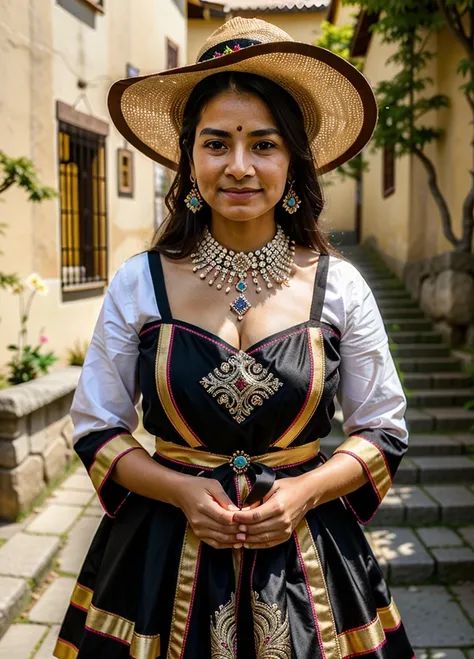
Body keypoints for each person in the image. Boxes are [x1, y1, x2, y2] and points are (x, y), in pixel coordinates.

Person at [54, 17, 414, 659]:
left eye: (264, 145)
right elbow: (97, 427)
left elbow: (383, 427)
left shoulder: (342, 287)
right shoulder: (139, 283)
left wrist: (303, 491)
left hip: (310, 560)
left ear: (293, 161)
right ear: (189, 159)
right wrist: (182, 489)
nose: (239, 167)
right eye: (217, 143)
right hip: (159, 555)